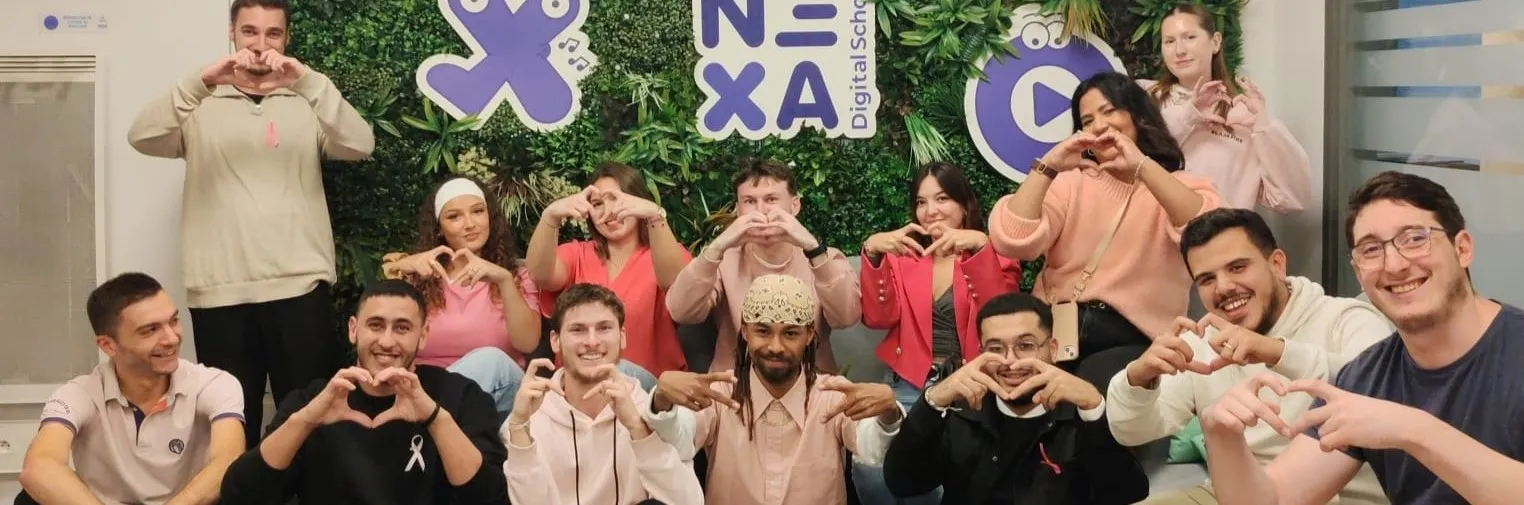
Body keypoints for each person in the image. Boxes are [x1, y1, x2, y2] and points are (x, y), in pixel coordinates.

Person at [126, 0, 377, 448]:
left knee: (310, 425)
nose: (261, 45)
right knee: (229, 429)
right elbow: (141, 136)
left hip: (299, 288)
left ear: (286, 39)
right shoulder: (199, 104)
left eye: (273, 34)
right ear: (232, 34)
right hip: (220, 292)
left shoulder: (305, 102)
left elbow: (361, 144)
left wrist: (307, 81)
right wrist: (202, 81)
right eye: (249, 32)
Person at [1202, 171, 1524, 505]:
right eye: (1371, 250)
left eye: (1415, 239)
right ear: (1358, 273)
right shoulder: (1367, 377)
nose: (1394, 265)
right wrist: (1221, 436)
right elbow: (1276, 501)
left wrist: (1414, 430)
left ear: (1463, 249)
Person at [1105, 208, 1390, 505]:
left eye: (1238, 267)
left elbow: (1380, 391)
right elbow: (1131, 432)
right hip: (1231, 493)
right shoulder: (1200, 342)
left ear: (1277, 264)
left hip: (1340, 496)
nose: (1224, 287)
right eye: (1207, 279)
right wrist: (1139, 380)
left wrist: (1276, 351)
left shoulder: (1346, 319)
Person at [989, 71, 1222, 392]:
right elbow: (1012, 239)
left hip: (1133, 339)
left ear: (1139, 117)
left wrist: (1142, 167)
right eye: (1087, 120)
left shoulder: (1180, 186)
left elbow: (1210, 236)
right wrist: (1049, 165)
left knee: (1094, 390)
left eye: (1109, 111)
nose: (1099, 125)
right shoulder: (1070, 183)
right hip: (1054, 331)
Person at [219, 280, 507, 505]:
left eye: (402, 328)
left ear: (423, 337)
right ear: (353, 330)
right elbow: (240, 496)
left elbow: (491, 498)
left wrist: (435, 418)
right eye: (376, 325)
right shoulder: (314, 402)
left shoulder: (462, 397)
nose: (387, 341)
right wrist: (305, 422)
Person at [643, 274, 903, 505]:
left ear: (809, 335)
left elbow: (872, 449)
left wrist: (888, 415)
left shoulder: (832, 395)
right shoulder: (721, 393)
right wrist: (662, 401)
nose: (775, 347)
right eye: (763, 331)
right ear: (745, 332)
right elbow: (679, 442)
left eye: (790, 334)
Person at [854, 161, 1022, 505]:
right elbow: (878, 317)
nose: (930, 211)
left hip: (971, 388)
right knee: (873, 469)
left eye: (942, 198)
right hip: (908, 386)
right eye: (921, 202)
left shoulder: (997, 257)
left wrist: (980, 248)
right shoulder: (904, 258)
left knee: (948, 479)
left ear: (964, 205)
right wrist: (872, 252)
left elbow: (999, 320)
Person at [883, 292, 1148, 504]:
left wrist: (1094, 411)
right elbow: (903, 483)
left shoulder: (1080, 410)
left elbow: (1126, 494)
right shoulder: (962, 410)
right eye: (995, 348)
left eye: (1025, 346)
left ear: (1053, 349)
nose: (1010, 361)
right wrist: (933, 401)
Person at [18, 273, 245, 505]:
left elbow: (229, 458)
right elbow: (39, 467)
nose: (171, 338)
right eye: (150, 330)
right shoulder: (80, 393)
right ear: (108, 345)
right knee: (29, 499)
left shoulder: (214, 383)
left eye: (174, 321)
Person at [502, 283, 704, 505]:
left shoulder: (648, 411)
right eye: (577, 329)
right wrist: (519, 428)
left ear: (622, 337)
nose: (592, 342)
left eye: (604, 328)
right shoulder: (529, 418)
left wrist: (638, 429)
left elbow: (688, 502)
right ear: (555, 341)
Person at [667, 159, 861, 373]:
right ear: (738, 210)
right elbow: (681, 311)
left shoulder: (825, 258)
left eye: (771, 199)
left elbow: (847, 317)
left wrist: (813, 249)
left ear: (795, 205)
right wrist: (717, 247)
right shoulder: (724, 261)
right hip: (734, 383)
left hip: (810, 383)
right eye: (749, 201)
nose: (761, 211)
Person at [381, 177, 543, 414]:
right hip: (429, 388)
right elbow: (386, 336)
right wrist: (402, 268)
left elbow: (528, 343)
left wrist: (503, 280)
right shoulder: (421, 277)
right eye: (454, 216)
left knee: (491, 361)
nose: (470, 224)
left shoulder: (517, 277)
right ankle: (431, 419)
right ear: (439, 228)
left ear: (490, 217)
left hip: (502, 395)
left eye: (477, 211)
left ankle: (424, 418)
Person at [527, 161, 691, 382]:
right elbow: (540, 275)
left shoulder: (665, 253)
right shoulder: (577, 254)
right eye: (597, 204)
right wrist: (550, 217)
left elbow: (677, 285)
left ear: (638, 200)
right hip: (578, 385)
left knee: (614, 370)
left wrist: (654, 215)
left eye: (617, 199)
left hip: (648, 389)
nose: (609, 212)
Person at [1142, 2, 1311, 212]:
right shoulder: (1146, 97)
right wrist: (1189, 116)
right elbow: (1134, 167)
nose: (1180, 50)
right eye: (1169, 41)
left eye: (1190, 37)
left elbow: (1292, 199)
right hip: (1157, 231)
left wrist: (1263, 127)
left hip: (1225, 231)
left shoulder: (1242, 115)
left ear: (1215, 42)